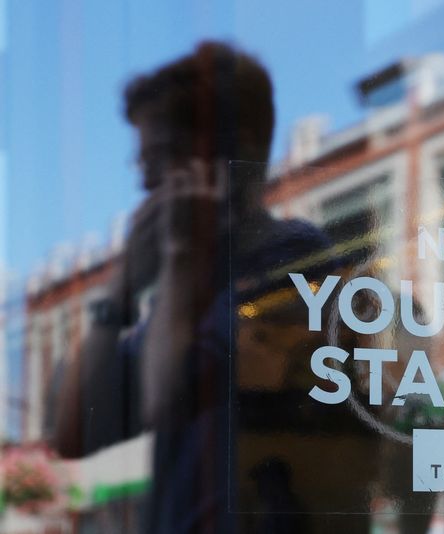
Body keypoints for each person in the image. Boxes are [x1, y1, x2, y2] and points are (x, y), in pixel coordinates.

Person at [52, 41, 367, 533]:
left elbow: (166, 401)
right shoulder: (191, 285)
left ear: (233, 155)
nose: (146, 184)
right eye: (142, 164)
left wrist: (175, 263)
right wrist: (118, 293)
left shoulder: (294, 264)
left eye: (162, 159)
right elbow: (75, 434)